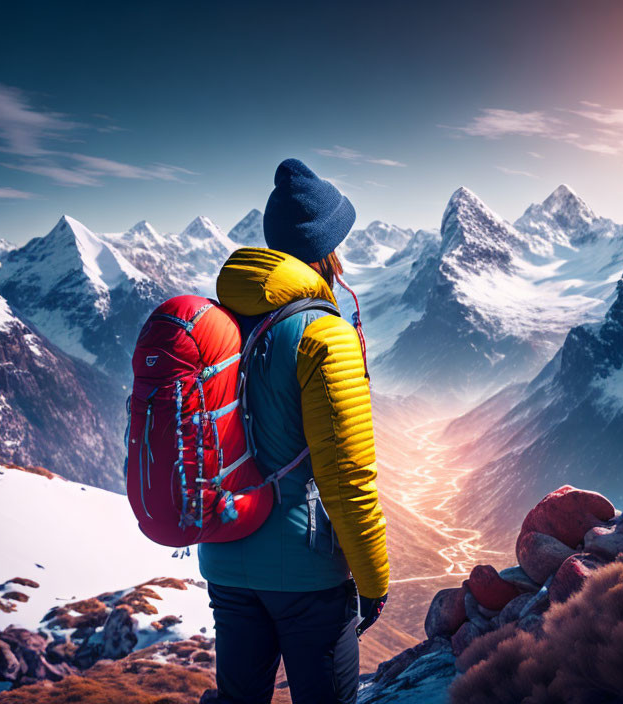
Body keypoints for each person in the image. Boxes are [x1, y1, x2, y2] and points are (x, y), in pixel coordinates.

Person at [198, 158, 389, 704]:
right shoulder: (322, 333)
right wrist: (372, 583)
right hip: (306, 574)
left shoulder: (221, 319)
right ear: (327, 250)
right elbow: (346, 476)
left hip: (225, 555)